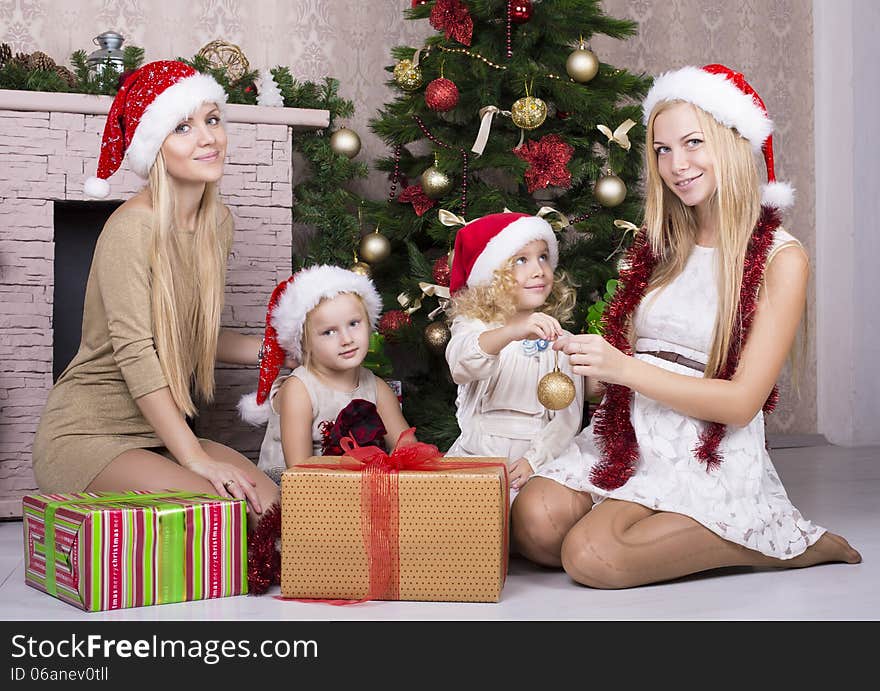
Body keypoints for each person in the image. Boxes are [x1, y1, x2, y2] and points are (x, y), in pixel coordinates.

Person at [512, 63, 862, 587]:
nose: (677, 165)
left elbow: (742, 403)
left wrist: (625, 369)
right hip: (629, 427)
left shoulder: (778, 258)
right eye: (662, 149)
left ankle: (776, 539)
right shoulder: (659, 246)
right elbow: (622, 366)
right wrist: (588, 361)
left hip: (707, 440)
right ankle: (648, 517)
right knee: (535, 526)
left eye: (693, 142)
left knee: (592, 557)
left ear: (733, 141)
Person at [32, 60, 279, 527]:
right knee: (225, 514)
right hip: (89, 436)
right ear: (156, 148)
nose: (207, 137)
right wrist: (195, 458)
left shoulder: (216, 224)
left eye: (211, 119)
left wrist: (278, 351)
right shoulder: (131, 229)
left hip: (159, 436)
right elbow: (136, 351)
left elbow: (192, 334)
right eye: (183, 127)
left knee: (271, 511)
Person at [444, 212, 584, 500]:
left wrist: (536, 459)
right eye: (522, 260)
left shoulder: (559, 341)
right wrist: (513, 331)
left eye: (543, 257)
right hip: (477, 453)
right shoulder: (474, 328)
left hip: (531, 461)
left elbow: (567, 418)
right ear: (491, 274)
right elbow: (462, 366)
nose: (539, 270)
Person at [238, 265, 412, 483]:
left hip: (357, 487)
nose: (347, 339)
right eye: (329, 332)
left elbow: (407, 446)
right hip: (293, 489)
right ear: (304, 344)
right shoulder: (299, 389)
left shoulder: (377, 388)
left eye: (354, 324)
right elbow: (299, 470)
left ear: (369, 324)